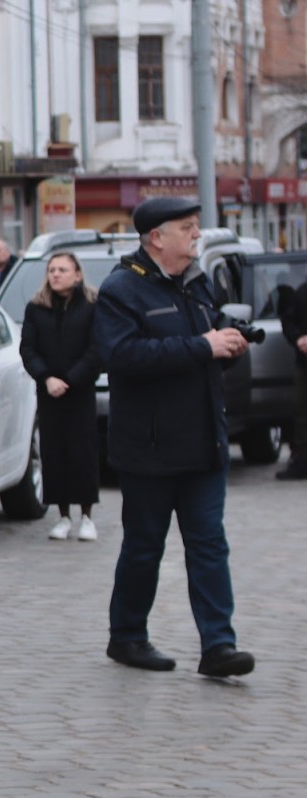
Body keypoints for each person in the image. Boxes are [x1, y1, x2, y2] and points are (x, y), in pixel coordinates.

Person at [95, 196, 255, 677]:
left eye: (196, 226)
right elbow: (123, 358)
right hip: (149, 447)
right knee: (145, 546)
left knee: (209, 544)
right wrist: (201, 346)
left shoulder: (197, 282)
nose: (197, 235)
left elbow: (199, 351)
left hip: (204, 441)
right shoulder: (121, 290)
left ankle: (218, 647)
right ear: (156, 237)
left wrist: (226, 344)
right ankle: (127, 636)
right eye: (187, 227)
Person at [21, 252, 101, 540]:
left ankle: (87, 516)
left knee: (83, 452)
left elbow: (97, 348)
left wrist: (71, 379)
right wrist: (46, 377)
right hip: (49, 391)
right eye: (52, 270)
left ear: (77, 274)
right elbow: (28, 349)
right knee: (54, 453)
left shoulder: (92, 305)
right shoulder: (36, 308)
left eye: (62, 269)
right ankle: (63, 515)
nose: (55, 274)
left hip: (80, 392)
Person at [278, 281, 307, 480]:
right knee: (302, 415)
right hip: (304, 363)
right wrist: (298, 339)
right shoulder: (302, 292)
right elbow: (288, 320)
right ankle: (301, 462)